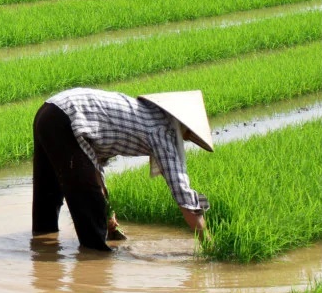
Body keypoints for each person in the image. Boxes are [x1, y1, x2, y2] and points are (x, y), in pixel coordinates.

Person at [32, 88, 214, 251]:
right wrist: (208, 241)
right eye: (189, 135)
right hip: (66, 119)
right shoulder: (161, 131)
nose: (187, 138)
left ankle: (41, 251)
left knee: (48, 196)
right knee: (90, 207)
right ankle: (94, 264)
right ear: (183, 125)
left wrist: (108, 211)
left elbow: (93, 162)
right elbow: (183, 195)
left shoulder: (147, 113)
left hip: (48, 112)